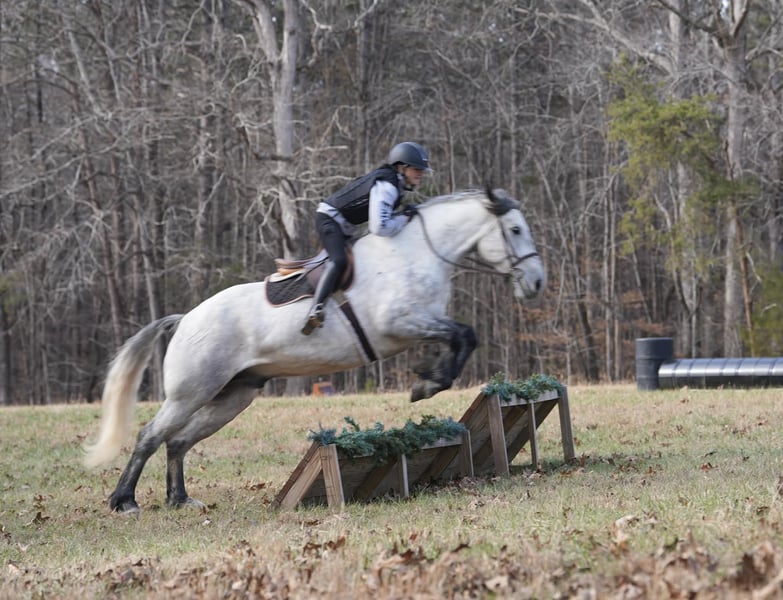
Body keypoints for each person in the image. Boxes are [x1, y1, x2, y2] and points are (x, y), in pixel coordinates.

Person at [301, 141, 432, 335]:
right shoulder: (387, 186)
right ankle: (316, 309)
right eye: (416, 169)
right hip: (329, 219)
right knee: (339, 260)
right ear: (401, 167)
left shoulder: (394, 184)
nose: (420, 173)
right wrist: (404, 218)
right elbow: (379, 227)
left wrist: (402, 217)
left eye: (421, 170)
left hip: (344, 225)